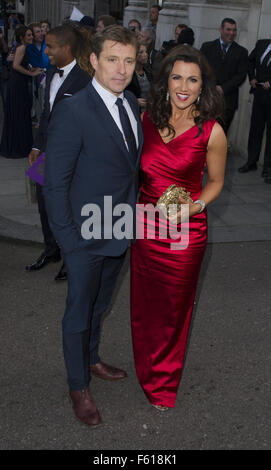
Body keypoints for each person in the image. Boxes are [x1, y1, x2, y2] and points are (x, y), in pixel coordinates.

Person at [43, 25, 143, 426]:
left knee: (100, 306)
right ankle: (78, 384)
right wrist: (68, 241)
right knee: (78, 313)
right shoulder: (73, 108)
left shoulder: (132, 103)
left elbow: (128, 170)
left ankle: (92, 359)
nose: (121, 69)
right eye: (113, 59)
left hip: (118, 227)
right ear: (95, 60)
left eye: (129, 61)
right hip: (83, 235)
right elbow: (54, 184)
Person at [130, 45, 227, 411]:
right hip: (145, 227)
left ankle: (163, 381)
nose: (183, 86)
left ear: (202, 86)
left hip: (186, 235)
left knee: (173, 309)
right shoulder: (146, 120)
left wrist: (195, 206)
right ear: (165, 82)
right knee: (144, 304)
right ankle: (145, 365)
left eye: (192, 79)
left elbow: (215, 182)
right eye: (176, 78)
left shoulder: (211, 131)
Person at [26, 25, 91, 279]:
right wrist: (36, 145)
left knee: (67, 207)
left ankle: (70, 257)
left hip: (70, 157)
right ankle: (51, 249)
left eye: (51, 46)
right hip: (45, 154)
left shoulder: (85, 79)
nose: (47, 51)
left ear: (66, 48)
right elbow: (46, 114)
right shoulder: (51, 72)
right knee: (44, 203)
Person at [0, 26, 43, 158]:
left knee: (22, 113)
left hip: (20, 83)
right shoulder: (21, 47)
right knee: (20, 113)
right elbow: (15, 66)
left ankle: (20, 145)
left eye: (31, 35)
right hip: (18, 83)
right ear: (21, 37)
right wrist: (31, 73)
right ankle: (18, 147)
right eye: (28, 35)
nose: (31, 37)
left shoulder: (23, 47)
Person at [200, 18, 248, 134]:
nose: (231, 33)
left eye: (234, 30)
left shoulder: (241, 52)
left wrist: (223, 88)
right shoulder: (207, 47)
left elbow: (240, 76)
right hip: (207, 98)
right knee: (203, 132)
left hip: (228, 102)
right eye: (228, 29)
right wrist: (212, 87)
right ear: (221, 30)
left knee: (220, 135)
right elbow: (200, 70)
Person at [238, 38, 271, 182]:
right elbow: (249, 61)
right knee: (255, 129)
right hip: (259, 94)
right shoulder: (262, 44)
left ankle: (268, 168)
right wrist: (252, 77)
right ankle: (251, 162)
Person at [126, 43, 152, 110]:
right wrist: (135, 101)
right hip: (134, 110)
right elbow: (122, 93)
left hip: (148, 110)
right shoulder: (128, 74)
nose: (145, 54)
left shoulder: (149, 73)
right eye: (141, 52)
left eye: (146, 52)